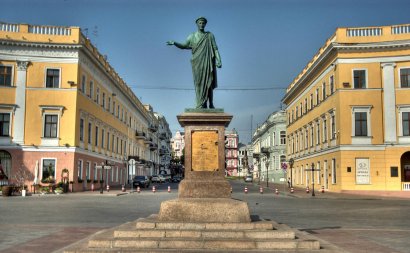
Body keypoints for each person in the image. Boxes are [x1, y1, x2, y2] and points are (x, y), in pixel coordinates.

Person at [167, 17, 222, 109]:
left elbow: (215, 49)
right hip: (197, 63)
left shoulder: (209, 35)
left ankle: (211, 104)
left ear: (205, 24)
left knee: (208, 82)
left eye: (203, 23)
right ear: (197, 24)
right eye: (200, 23)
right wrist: (175, 43)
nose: (201, 24)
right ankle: (201, 103)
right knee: (199, 83)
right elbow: (184, 45)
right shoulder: (192, 36)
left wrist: (219, 60)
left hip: (207, 62)